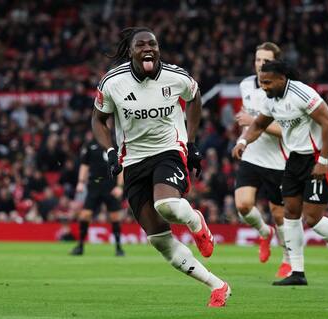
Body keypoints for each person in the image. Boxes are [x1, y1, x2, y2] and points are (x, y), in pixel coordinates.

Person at [91, 27, 230, 307]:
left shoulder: (176, 76)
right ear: (130, 51)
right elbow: (98, 119)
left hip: (168, 150)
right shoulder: (112, 82)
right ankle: (218, 286)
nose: (148, 48)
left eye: (152, 44)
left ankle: (196, 222)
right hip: (132, 161)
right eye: (141, 45)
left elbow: (195, 98)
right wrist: (109, 151)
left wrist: (190, 143)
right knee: (160, 241)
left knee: (166, 205)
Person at [232, 60, 328, 286]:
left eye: (268, 82)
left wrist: (322, 161)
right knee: (290, 212)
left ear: (282, 78)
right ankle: (297, 272)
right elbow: (259, 125)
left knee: (312, 218)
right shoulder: (271, 100)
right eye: (261, 82)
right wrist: (243, 140)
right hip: (295, 159)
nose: (264, 86)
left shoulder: (302, 94)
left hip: (317, 157)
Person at [235, 42, 293, 278]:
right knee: (243, 205)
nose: (261, 65)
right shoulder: (246, 85)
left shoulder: (284, 90)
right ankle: (263, 232)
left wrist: (253, 121)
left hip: (277, 161)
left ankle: (288, 259)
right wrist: (242, 139)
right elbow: (245, 116)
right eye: (258, 60)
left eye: (266, 61)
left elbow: (285, 131)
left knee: (279, 214)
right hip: (251, 155)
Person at [70, 132, 125, 256]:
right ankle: (80, 246)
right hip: (94, 185)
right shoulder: (90, 145)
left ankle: (119, 248)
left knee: (115, 217)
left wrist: (120, 186)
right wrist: (80, 182)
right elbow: (84, 165)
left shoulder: (115, 146)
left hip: (110, 185)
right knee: (85, 215)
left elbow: (121, 166)